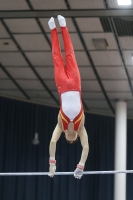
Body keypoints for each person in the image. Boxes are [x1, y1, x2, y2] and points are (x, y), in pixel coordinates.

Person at [48, 15, 89, 179]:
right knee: (70, 54)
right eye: (74, 141)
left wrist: (52, 164)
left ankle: (53, 29)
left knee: (57, 58)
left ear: (65, 136)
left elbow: (52, 142)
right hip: (76, 84)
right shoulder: (81, 128)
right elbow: (86, 148)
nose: (72, 139)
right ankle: (64, 27)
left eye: (69, 141)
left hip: (63, 87)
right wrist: (81, 166)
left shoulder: (60, 126)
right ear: (77, 137)